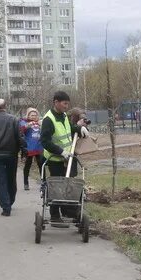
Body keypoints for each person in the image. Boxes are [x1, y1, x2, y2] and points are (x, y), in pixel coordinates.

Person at [40, 91, 89, 223]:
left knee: (69, 186)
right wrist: (61, 152)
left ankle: (69, 212)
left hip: (69, 158)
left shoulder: (63, 116)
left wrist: (79, 129)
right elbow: (44, 141)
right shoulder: (48, 119)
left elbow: (69, 128)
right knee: (57, 187)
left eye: (68, 104)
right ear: (56, 102)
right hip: (55, 160)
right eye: (64, 103)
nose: (66, 106)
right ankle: (55, 215)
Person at [20, 107, 43, 191]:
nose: (33, 116)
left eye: (35, 115)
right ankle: (26, 183)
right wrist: (27, 126)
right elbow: (20, 130)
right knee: (27, 165)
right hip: (29, 147)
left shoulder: (40, 122)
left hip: (39, 147)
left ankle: (43, 181)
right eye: (32, 115)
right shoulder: (24, 122)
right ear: (28, 115)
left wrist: (42, 125)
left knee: (41, 164)